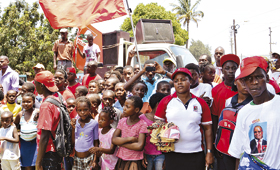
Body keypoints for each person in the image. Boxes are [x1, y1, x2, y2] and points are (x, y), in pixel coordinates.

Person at [155, 68, 214, 170]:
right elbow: (157, 125)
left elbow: (208, 129)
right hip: (172, 153)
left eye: (183, 79)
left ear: (190, 81)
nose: (179, 83)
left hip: (195, 153)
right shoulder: (165, 101)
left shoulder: (200, 102)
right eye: (176, 81)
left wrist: (209, 152)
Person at [228, 56, 280, 169]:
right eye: (249, 78)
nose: (254, 82)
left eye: (258, 77)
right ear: (243, 82)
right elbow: (238, 153)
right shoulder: (243, 113)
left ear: (266, 78)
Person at [217, 78, 253, 170]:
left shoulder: (255, 102)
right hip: (228, 149)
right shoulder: (229, 101)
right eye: (241, 81)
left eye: (248, 80)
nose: (245, 84)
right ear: (235, 82)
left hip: (246, 151)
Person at [34, 71, 62, 170]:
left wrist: (38, 163)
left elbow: (45, 136)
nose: (35, 86)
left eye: (35, 83)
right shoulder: (58, 99)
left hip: (49, 151)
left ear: (42, 85)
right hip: (58, 148)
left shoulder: (46, 105)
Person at [112, 96, 148, 170]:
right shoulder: (122, 121)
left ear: (136, 109)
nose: (124, 108)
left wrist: (121, 143)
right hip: (122, 158)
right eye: (124, 106)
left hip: (135, 159)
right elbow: (114, 140)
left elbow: (139, 146)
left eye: (127, 107)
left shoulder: (142, 124)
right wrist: (130, 139)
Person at [211, 54, 239, 137]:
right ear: (222, 70)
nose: (231, 71)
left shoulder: (244, 89)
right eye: (227, 68)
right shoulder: (216, 90)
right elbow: (215, 116)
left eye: (234, 68)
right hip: (223, 133)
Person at [71, 96, 99, 170]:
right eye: (80, 110)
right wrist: (73, 129)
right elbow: (73, 141)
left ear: (90, 109)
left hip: (89, 158)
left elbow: (96, 142)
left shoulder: (94, 123)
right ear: (76, 110)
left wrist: (95, 160)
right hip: (76, 158)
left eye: (85, 110)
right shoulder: (75, 123)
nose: (82, 112)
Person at [140, 93, 166, 170]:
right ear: (158, 104)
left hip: (161, 154)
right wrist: (142, 155)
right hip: (146, 154)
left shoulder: (165, 119)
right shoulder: (142, 118)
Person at [14, 92, 38, 170]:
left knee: (36, 165)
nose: (26, 104)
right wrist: (17, 133)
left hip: (35, 143)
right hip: (24, 144)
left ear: (33, 102)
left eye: (28, 101)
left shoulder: (37, 112)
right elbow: (15, 125)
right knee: (27, 166)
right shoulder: (20, 114)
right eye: (24, 102)